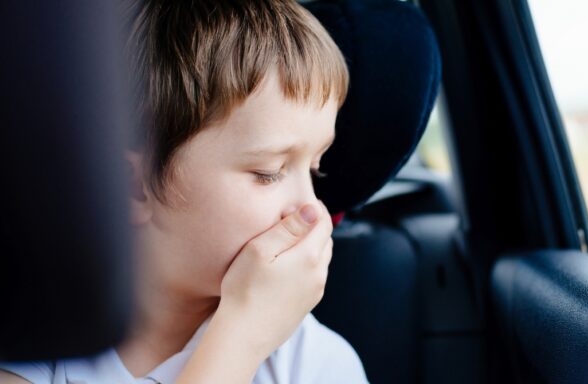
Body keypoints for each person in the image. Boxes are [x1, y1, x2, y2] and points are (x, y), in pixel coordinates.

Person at [0, 0, 368, 382]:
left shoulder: (316, 363)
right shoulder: (36, 338)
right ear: (135, 187)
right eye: (268, 172)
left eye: (314, 168)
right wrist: (242, 334)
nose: (310, 208)